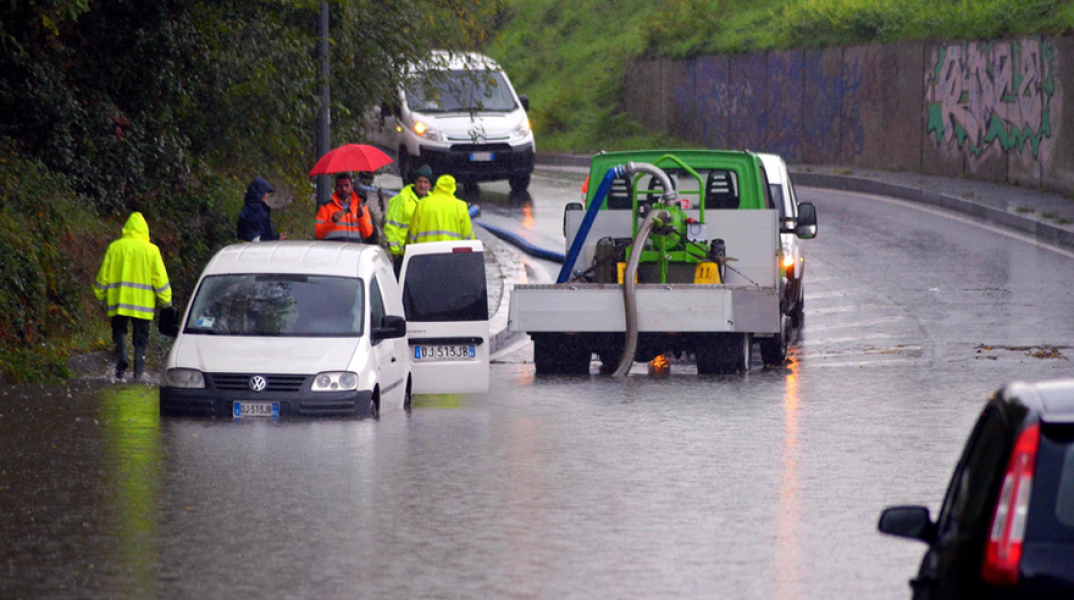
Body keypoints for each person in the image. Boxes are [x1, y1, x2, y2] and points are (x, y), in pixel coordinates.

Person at [93, 212, 172, 382]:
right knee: (141, 340)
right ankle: (138, 374)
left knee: (119, 331)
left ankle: (122, 357)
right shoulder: (152, 251)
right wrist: (166, 301)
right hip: (142, 305)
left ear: (126, 228)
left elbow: (103, 276)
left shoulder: (115, 247)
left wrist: (99, 296)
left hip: (119, 301)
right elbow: (160, 279)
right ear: (145, 230)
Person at [384, 165, 433, 271]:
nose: (422, 185)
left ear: (430, 185)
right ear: (414, 182)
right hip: (404, 254)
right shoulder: (402, 199)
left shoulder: (433, 201)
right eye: (420, 181)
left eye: (426, 182)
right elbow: (391, 226)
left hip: (425, 253)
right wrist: (395, 251)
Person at [406, 174, 475, 245]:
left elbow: (412, 232)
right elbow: (467, 235)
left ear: (437, 186)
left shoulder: (422, 204)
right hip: (451, 251)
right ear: (453, 188)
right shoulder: (461, 206)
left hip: (425, 251)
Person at [315, 173, 375, 242]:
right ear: (336, 187)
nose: (343, 189)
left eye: (346, 185)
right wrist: (332, 221)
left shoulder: (361, 207)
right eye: (340, 186)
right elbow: (318, 233)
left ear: (352, 187)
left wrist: (361, 217)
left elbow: (367, 234)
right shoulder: (326, 207)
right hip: (333, 249)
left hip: (354, 249)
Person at [237, 177, 286, 242]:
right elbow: (256, 236)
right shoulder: (255, 211)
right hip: (258, 248)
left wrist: (276, 237)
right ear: (259, 193)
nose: (268, 195)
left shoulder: (252, 209)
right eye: (266, 192)